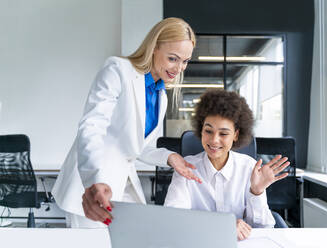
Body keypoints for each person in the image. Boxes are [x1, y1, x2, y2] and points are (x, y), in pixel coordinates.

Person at [52, 17, 202, 228]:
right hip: (96, 182)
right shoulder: (119, 70)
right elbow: (92, 126)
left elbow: (140, 148)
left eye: (185, 61)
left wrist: (170, 157)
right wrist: (94, 179)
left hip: (124, 183)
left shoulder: (161, 96)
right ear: (154, 48)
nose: (179, 68)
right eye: (173, 58)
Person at [164, 90, 290, 241]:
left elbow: (264, 228)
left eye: (223, 134)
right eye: (208, 131)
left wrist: (257, 192)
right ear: (201, 130)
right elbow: (172, 219)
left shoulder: (250, 168)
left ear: (236, 135)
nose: (214, 140)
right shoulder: (185, 168)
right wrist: (222, 226)